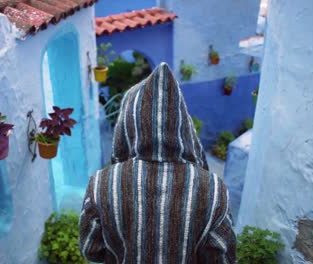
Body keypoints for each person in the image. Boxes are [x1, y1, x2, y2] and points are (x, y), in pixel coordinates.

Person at [79, 63, 236, 263]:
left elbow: (91, 250)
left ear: (129, 122)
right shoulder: (213, 189)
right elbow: (223, 258)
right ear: (181, 122)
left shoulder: (101, 184)